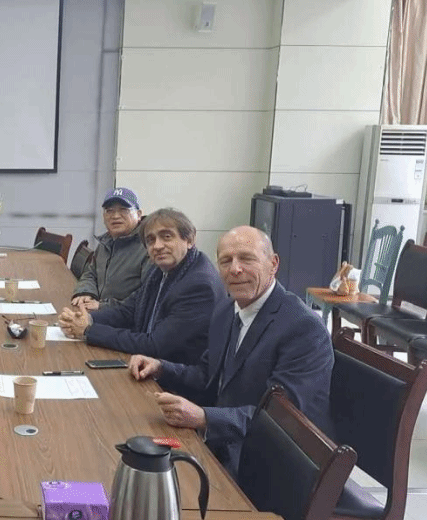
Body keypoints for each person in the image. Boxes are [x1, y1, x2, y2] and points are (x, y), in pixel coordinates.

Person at [128, 226, 334, 477]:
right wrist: (161, 367)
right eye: (226, 261)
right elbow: (209, 373)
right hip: (227, 442)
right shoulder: (226, 310)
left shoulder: (303, 328)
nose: (235, 269)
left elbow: (281, 420)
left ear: (273, 264)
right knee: (131, 452)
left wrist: (204, 418)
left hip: (276, 464)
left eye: (246, 258)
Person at [58, 208, 225, 366]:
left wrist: (89, 331)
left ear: (189, 240)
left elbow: (155, 345)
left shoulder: (199, 286)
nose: (157, 246)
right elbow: (129, 310)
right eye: (150, 240)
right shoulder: (162, 270)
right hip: (149, 364)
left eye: (167, 237)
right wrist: (89, 318)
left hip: (173, 377)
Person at [71, 187, 153, 310]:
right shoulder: (106, 243)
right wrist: (85, 292)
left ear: (139, 214)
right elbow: (90, 273)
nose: (115, 216)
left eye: (124, 210)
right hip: (100, 312)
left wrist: (104, 306)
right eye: (109, 211)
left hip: (124, 317)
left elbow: (147, 296)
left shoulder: (149, 247)